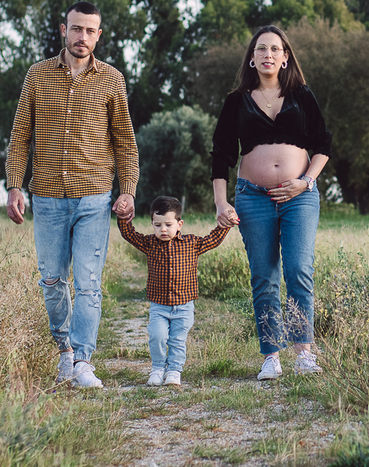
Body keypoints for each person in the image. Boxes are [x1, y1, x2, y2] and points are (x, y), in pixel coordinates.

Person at [5, 1, 139, 389]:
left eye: (90, 31)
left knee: (88, 282)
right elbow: (19, 138)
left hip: (94, 196)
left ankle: (83, 361)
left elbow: (126, 145)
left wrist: (127, 191)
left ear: (99, 35)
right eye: (76, 29)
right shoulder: (37, 76)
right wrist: (15, 183)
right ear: (63, 30)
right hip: (46, 198)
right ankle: (63, 350)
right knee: (51, 280)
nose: (83, 37)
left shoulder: (112, 80)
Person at [210, 25, 332, 380]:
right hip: (253, 198)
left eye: (274, 49)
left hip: (300, 197)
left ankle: (304, 353)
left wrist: (305, 181)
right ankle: (271, 356)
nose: (267, 54)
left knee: (298, 271)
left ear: (285, 57)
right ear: (252, 58)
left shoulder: (302, 95)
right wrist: (221, 203)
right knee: (264, 276)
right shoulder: (236, 101)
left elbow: (323, 144)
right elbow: (221, 154)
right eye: (260, 49)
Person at [117, 195, 232, 387]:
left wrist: (226, 224)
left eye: (168, 225)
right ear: (152, 224)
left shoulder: (191, 243)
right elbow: (130, 235)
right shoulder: (149, 243)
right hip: (159, 305)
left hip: (184, 305)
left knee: (177, 340)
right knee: (157, 336)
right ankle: (158, 367)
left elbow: (213, 240)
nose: (163, 229)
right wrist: (122, 218)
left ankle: (174, 370)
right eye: (157, 225)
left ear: (179, 224)